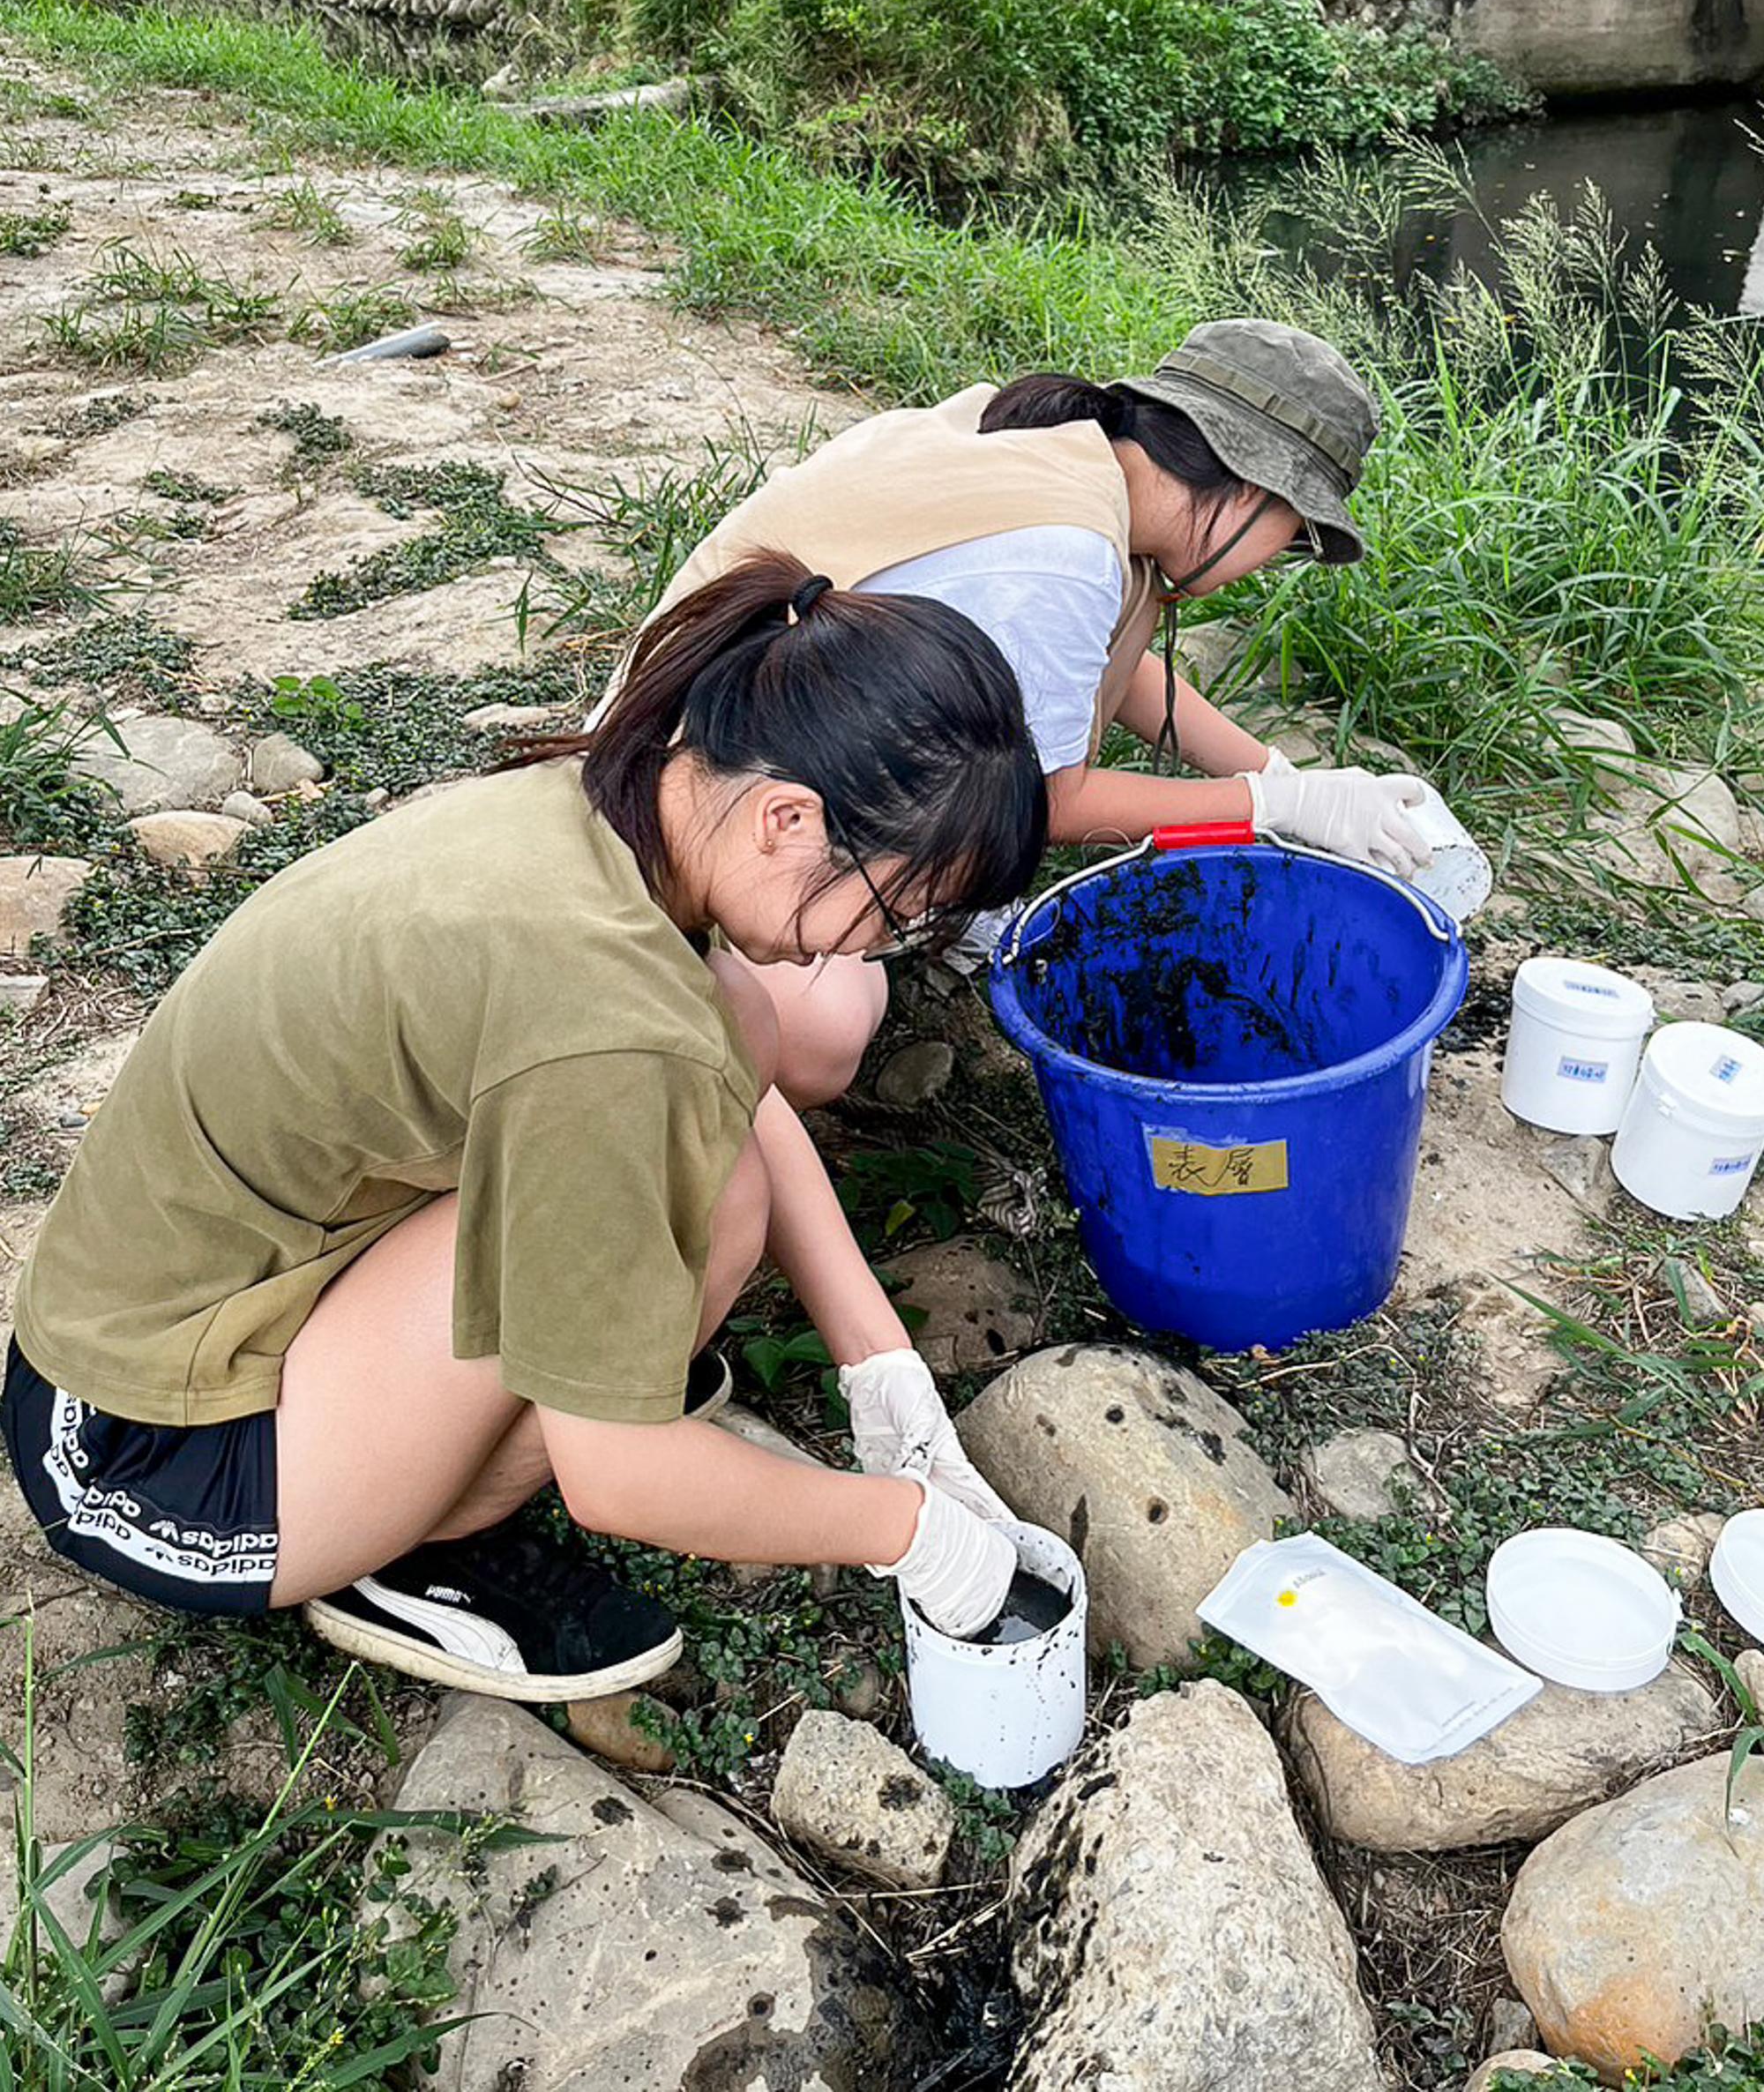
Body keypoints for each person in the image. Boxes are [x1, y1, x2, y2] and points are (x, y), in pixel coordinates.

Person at [1, 557, 1048, 1699]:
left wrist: (879, 1368)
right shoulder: (609, 1028)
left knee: (720, 1151)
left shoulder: (620, 802)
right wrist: (913, 1533)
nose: (866, 950)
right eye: (895, 910)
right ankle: (406, 1550)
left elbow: (732, 1088)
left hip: (202, 1306)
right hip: (151, 1457)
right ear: (788, 818)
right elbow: (619, 1478)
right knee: (674, 1208)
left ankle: (414, 1469)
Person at [622, 318, 1431, 1111]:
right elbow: (1050, 801)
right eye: (1295, 536)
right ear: (1254, 493)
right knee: (822, 1026)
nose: (1276, 560)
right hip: (700, 801)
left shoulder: (1078, 462)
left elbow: (1101, 670)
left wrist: (1277, 774)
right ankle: (716, 1058)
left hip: (750, 730)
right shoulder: (1064, 550)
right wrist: (1274, 810)